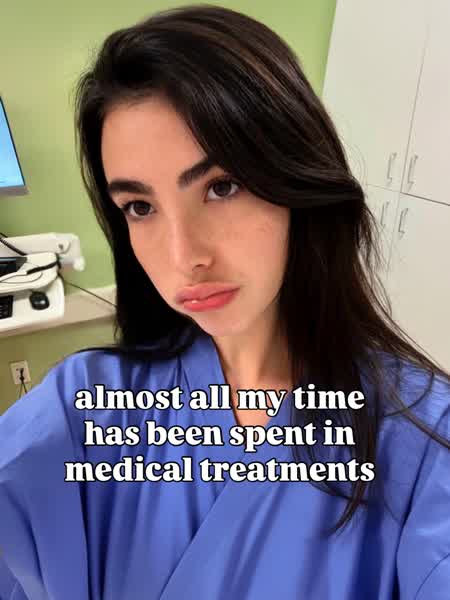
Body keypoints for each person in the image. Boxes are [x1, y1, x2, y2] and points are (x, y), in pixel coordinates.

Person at [1, 4, 449, 599]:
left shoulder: (424, 440)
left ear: (296, 179)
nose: (183, 254)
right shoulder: (82, 405)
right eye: (140, 207)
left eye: (222, 186)